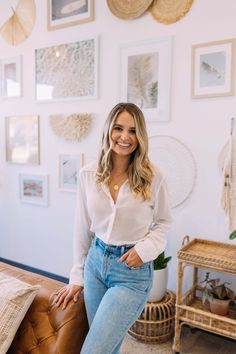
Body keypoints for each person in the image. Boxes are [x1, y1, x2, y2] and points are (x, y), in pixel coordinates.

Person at [54, 102, 172, 354]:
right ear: (108, 130)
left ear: (140, 136)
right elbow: (82, 228)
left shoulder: (154, 176)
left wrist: (145, 249)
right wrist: (76, 277)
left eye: (132, 130)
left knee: (94, 350)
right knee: (109, 348)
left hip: (131, 272)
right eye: (118, 128)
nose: (125, 137)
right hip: (95, 266)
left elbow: (163, 223)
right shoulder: (88, 174)